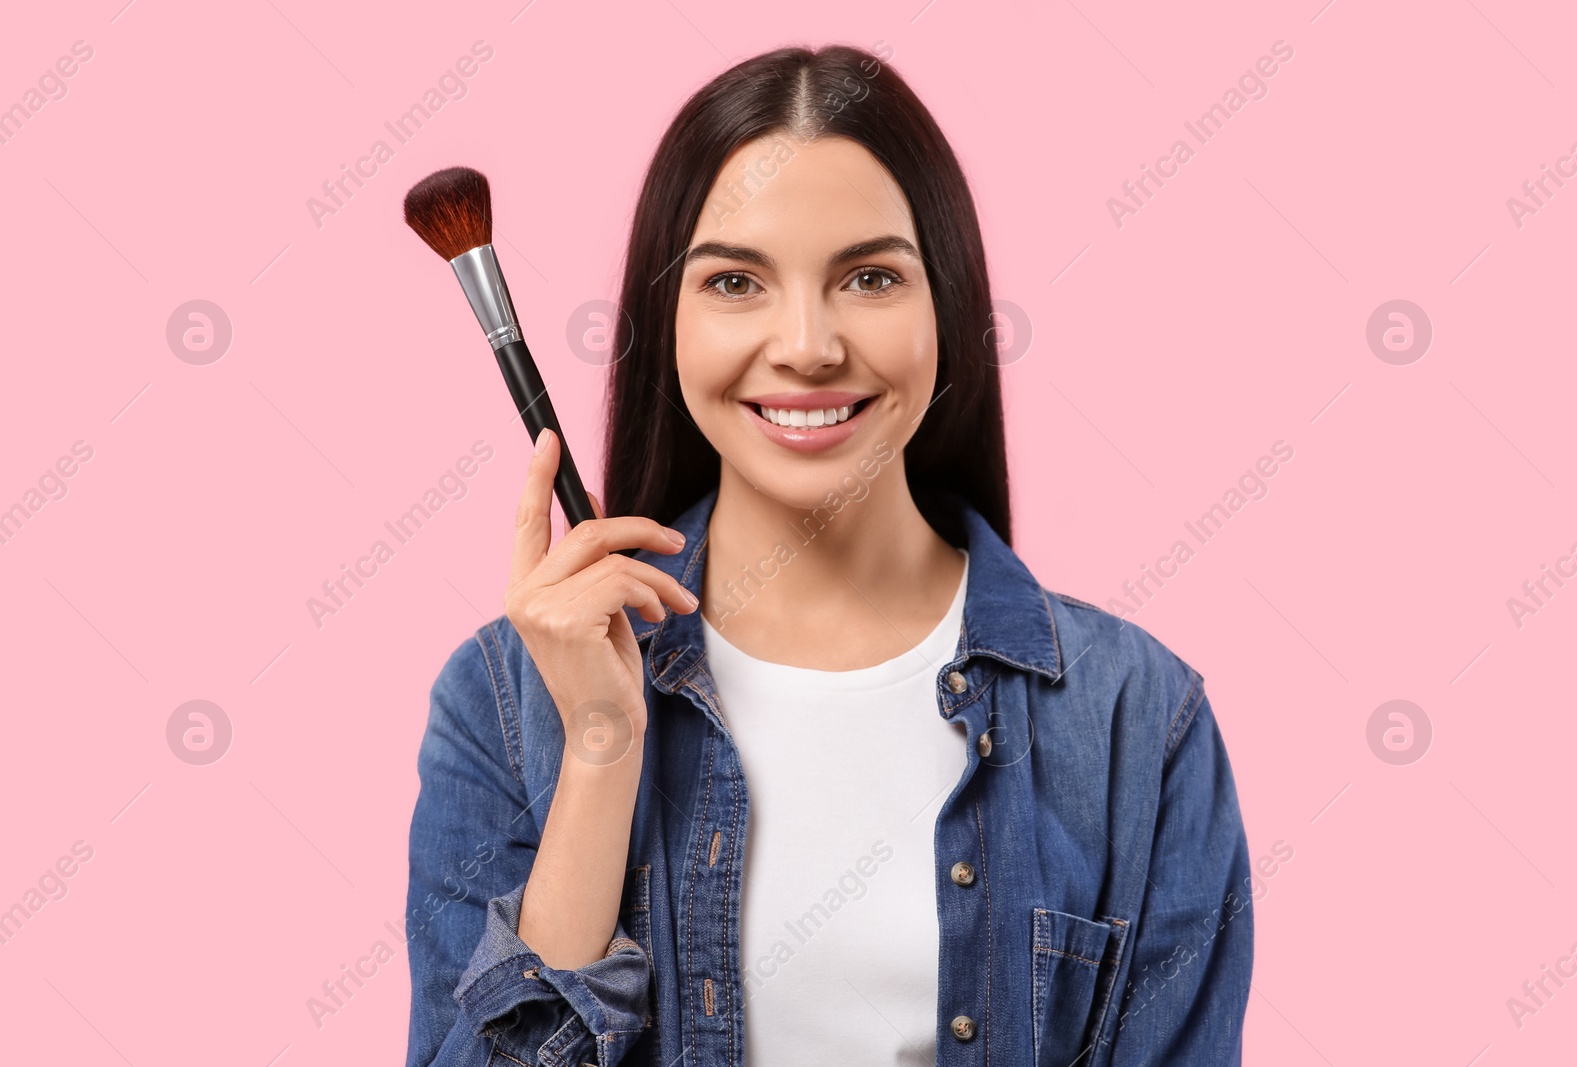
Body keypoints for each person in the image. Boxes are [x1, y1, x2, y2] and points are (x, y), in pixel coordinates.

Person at [405, 43, 1252, 1067]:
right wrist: (597, 745)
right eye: (734, 281)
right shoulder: (501, 703)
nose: (806, 343)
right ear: (663, 324)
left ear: (945, 305)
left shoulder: (1134, 720)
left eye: (868, 276)